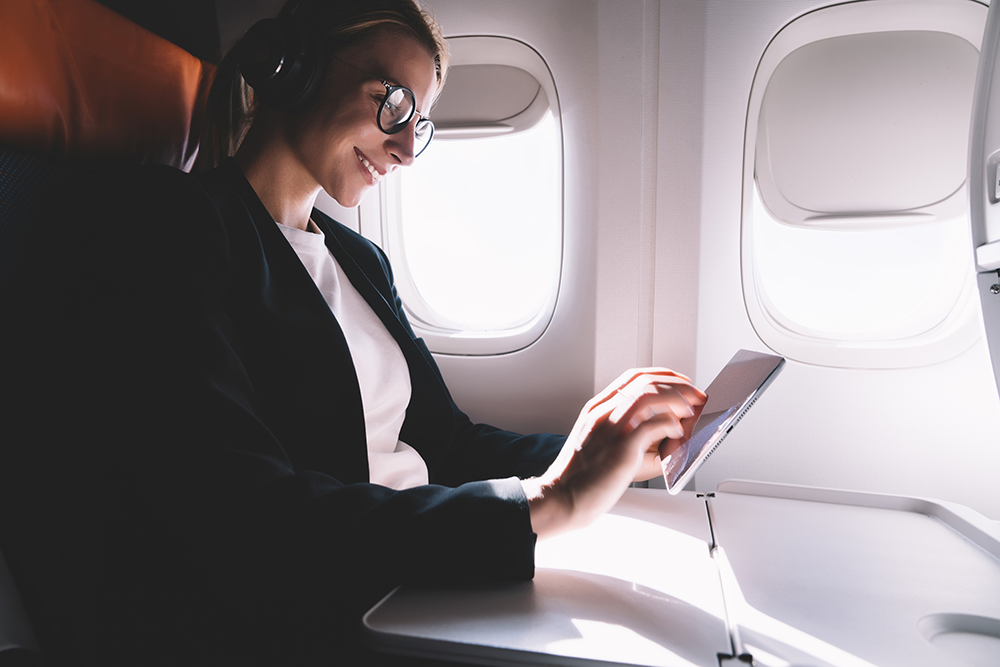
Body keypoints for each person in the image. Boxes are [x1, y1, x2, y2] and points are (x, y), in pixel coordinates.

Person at [3, 0, 706, 664]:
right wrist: (547, 503)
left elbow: (447, 442)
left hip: (411, 575)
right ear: (295, 66)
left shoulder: (361, 260)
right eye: (394, 103)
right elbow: (243, 517)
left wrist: (608, 454)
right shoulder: (172, 224)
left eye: (419, 125)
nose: (405, 149)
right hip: (325, 606)